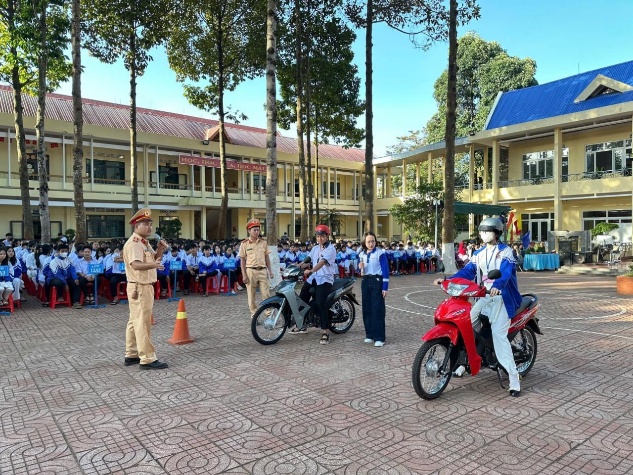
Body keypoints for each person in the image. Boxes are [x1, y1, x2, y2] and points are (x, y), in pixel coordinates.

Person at [434, 217, 522, 397]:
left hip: (502, 298)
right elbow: (467, 271)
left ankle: (514, 379)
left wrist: (497, 285)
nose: (483, 234)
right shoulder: (479, 253)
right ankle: (464, 361)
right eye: (481, 231)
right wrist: (448, 280)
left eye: (487, 231)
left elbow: (505, 272)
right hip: (484, 296)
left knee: (498, 335)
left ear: (496, 233)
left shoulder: (506, 252)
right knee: (465, 323)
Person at [122, 207, 169, 370]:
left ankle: (132, 353)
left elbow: (155, 259)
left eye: (150, 224)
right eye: (146, 224)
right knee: (142, 322)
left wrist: (160, 248)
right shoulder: (134, 243)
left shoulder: (144, 242)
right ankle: (147, 358)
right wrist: (153, 265)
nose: (149, 227)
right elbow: (135, 264)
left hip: (142, 286)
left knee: (134, 321)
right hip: (139, 287)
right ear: (136, 226)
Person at [291, 224, 337, 344]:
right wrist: (296, 267)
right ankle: (303, 324)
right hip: (314, 278)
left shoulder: (331, 249)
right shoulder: (315, 248)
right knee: (302, 298)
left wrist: (311, 270)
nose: (319, 238)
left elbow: (322, 263)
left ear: (327, 236)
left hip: (325, 279)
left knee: (321, 303)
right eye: (318, 236)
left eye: (322, 236)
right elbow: (307, 261)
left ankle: (325, 331)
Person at [358, 231, 389, 347]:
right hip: (366, 280)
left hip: (377, 281)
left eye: (373, 241)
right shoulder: (361, 254)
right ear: (364, 242)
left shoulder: (380, 253)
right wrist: (360, 267)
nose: (371, 244)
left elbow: (385, 270)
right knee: (367, 308)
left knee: (377, 309)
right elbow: (361, 272)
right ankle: (369, 334)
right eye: (368, 242)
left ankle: (379, 337)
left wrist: (385, 287)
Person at [238, 218, 273, 317]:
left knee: (266, 293)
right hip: (250, 271)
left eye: (258, 230)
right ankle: (254, 314)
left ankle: (269, 314)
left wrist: (270, 271)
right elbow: (242, 260)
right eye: (254, 230)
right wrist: (244, 275)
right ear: (249, 231)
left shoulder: (263, 243)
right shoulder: (244, 244)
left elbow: (267, 258)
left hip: (262, 270)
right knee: (251, 295)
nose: (257, 232)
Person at [44, 242, 81, 309]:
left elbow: (72, 270)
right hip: (53, 278)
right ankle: (59, 296)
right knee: (58, 282)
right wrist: (65, 283)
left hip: (66, 278)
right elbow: (58, 274)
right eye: (62, 251)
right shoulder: (54, 261)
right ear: (58, 252)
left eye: (66, 251)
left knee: (76, 283)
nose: (64, 253)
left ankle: (76, 302)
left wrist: (75, 278)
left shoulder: (69, 259)